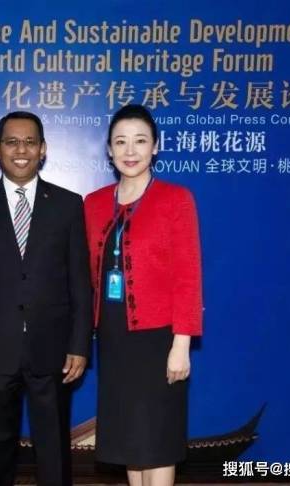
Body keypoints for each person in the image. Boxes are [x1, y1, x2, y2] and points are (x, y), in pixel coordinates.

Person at [0, 111, 93, 486]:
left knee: (54, 453)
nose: (21, 150)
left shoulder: (68, 205)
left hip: (53, 350)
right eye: (12, 142)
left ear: (43, 149)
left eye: (30, 142)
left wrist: (79, 345)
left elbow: (81, 282)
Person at [83, 104, 203, 486]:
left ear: (156, 146)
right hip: (114, 337)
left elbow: (188, 276)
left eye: (140, 141)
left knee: (158, 439)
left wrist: (181, 344)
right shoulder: (93, 203)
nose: (130, 151)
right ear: (109, 149)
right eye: (120, 142)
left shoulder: (175, 199)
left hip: (159, 338)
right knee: (129, 439)